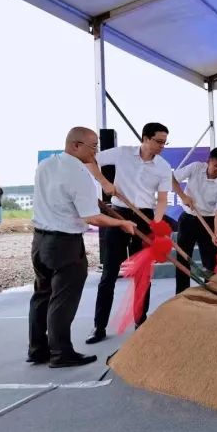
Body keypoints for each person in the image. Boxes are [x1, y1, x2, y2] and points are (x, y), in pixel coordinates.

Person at [29, 128, 136, 367]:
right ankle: (61, 353)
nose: (95, 152)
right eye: (93, 147)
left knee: (42, 295)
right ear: (76, 145)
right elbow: (92, 217)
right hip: (65, 244)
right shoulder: (79, 174)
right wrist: (122, 223)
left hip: (40, 241)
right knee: (63, 299)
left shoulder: (46, 165)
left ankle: (37, 349)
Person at [85, 122, 172, 344]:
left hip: (145, 218)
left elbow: (162, 200)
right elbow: (90, 160)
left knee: (142, 276)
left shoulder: (163, 167)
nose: (162, 146)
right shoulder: (123, 153)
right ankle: (99, 327)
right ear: (145, 138)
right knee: (109, 273)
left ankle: (140, 323)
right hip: (119, 215)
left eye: (165, 142)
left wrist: (156, 223)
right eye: (158, 141)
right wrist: (104, 182)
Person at [171, 147, 217, 294]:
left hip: (209, 221)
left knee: (210, 262)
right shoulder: (195, 167)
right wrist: (183, 196)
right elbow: (171, 178)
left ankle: (210, 293)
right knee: (183, 258)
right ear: (208, 161)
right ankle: (182, 294)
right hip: (188, 219)